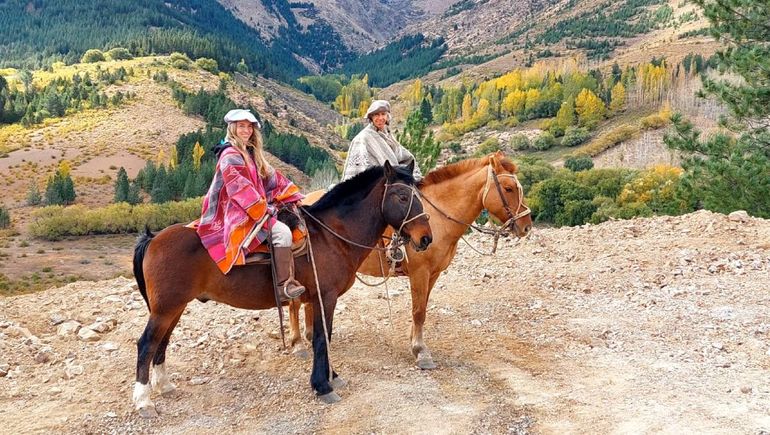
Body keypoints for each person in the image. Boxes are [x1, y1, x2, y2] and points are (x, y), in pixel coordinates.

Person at [196, 109, 305, 301]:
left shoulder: (250, 152)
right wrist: (265, 209)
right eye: (241, 126)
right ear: (233, 128)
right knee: (283, 233)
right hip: (238, 211)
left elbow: (272, 177)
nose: (246, 131)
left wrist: (292, 193)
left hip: (252, 206)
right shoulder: (230, 154)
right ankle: (283, 287)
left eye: (249, 127)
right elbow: (240, 190)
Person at [342, 100, 422, 182]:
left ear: (387, 116)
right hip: (374, 186)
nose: (380, 118)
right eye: (376, 114)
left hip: (393, 183)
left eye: (383, 114)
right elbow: (358, 170)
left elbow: (404, 157)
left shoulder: (388, 136)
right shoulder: (362, 138)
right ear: (371, 117)